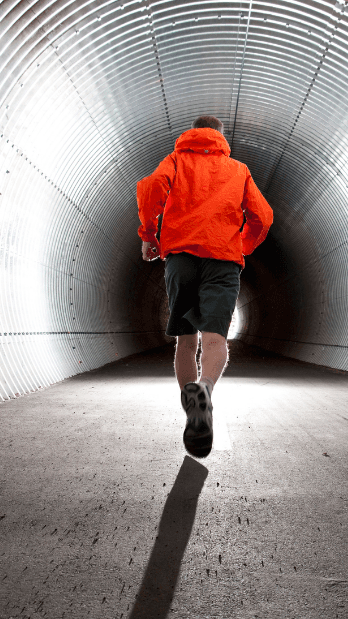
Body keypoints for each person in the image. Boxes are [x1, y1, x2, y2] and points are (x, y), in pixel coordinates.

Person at [136, 115, 274, 458]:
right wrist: (241, 245)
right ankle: (206, 390)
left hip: (181, 257)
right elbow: (263, 215)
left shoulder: (176, 160)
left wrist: (149, 235)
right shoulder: (237, 169)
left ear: (193, 132)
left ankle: (192, 410)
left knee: (186, 341)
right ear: (221, 136)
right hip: (222, 259)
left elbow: (152, 188)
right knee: (215, 339)